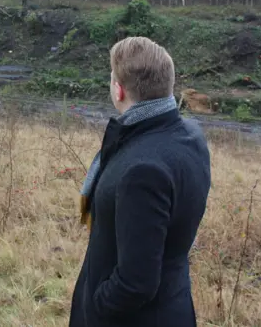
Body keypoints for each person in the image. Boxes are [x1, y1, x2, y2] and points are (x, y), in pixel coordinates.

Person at [69, 37, 211, 327]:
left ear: (119, 90)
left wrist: (95, 310)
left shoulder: (142, 170)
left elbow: (136, 283)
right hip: (173, 302)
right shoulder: (189, 134)